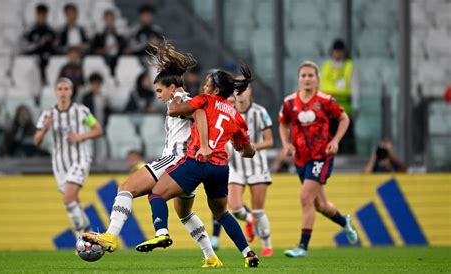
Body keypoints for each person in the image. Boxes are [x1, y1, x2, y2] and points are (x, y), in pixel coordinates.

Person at [82, 40, 221, 268]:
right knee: (185, 213)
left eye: (159, 91)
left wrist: (205, 145)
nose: (158, 96)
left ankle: (111, 235)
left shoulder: (181, 100)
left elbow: (198, 115)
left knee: (125, 187)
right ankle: (211, 257)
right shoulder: (183, 100)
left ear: (172, 88)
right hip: (190, 165)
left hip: (175, 159)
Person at [136, 61, 261, 268]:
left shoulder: (205, 100)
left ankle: (162, 233)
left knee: (157, 194)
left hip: (197, 161)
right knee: (222, 213)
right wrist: (239, 146)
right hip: (220, 167)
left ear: (216, 89)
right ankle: (248, 253)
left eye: (207, 83)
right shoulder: (236, 116)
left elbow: (174, 111)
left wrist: (176, 93)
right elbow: (248, 151)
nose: (204, 86)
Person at [279, 61, 358, 257]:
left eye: (310, 75)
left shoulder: (325, 100)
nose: (307, 79)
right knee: (320, 205)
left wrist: (336, 140)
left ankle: (302, 247)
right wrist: (286, 144)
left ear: (317, 79)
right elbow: (283, 123)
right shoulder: (290, 102)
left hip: (321, 156)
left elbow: (344, 118)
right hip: (301, 159)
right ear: (298, 79)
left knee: (305, 197)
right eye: (303, 75)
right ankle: (344, 222)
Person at [210, 82, 274, 257]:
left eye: (243, 90)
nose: (240, 94)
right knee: (235, 206)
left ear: (250, 91)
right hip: (236, 167)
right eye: (236, 91)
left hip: (257, 166)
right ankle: (248, 219)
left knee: (259, 209)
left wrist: (250, 147)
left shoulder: (260, 112)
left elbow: (270, 141)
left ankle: (267, 245)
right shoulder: (228, 112)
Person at [34, 77, 103, 235]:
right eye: (60, 89)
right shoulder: (48, 114)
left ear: (71, 91)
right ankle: (89, 233)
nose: (63, 92)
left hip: (80, 159)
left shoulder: (82, 111)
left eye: (66, 89)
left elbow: (97, 129)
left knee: (68, 198)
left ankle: (82, 235)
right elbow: (36, 141)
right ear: (55, 92)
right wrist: (44, 129)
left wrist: (80, 137)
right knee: (73, 201)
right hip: (59, 163)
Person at [320, 39, 359, 154]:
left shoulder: (349, 67)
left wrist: (355, 107)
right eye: (336, 51)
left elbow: (355, 88)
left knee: (346, 140)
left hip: (344, 110)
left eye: (340, 51)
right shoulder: (326, 66)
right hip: (328, 111)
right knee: (329, 139)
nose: (337, 54)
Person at [22, 3, 57, 84]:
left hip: (48, 56)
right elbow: (25, 47)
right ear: (36, 15)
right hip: (34, 55)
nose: (42, 17)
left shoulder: (51, 31)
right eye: (40, 15)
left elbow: (55, 46)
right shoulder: (31, 31)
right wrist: (39, 43)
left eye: (43, 15)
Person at [91, 10, 126, 76]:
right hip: (103, 60)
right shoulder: (98, 37)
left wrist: (118, 47)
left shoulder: (120, 37)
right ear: (104, 20)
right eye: (107, 19)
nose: (109, 21)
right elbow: (93, 50)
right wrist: (103, 50)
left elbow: (125, 49)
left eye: (111, 19)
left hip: (117, 60)